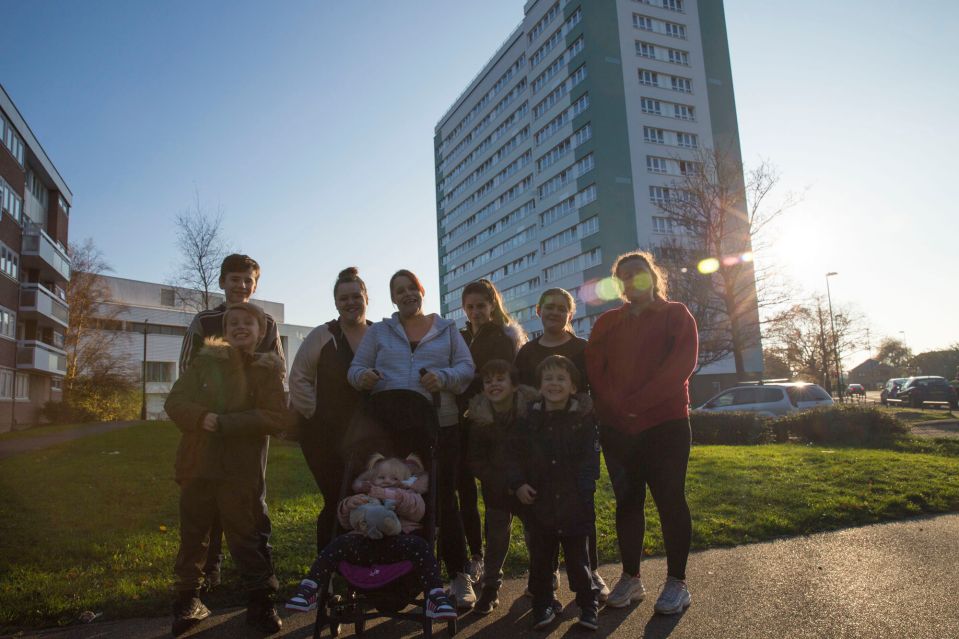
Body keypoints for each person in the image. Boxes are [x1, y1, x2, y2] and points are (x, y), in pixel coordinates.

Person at [348, 269, 477, 608]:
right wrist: (364, 376)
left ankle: (459, 576)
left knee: (444, 500)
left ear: (422, 291)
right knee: (393, 497)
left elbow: (467, 368)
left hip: (439, 425)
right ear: (393, 298)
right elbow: (355, 368)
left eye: (412, 288)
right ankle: (392, 572)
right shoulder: (379, 331)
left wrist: (444, 377)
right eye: (399, 290)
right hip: (391, 431)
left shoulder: (446, 329)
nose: (407, 294)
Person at [585, 250, 698, 615]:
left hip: (666, 425)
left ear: (653, 275)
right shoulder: (606, 323)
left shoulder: (675, 315)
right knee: (627, 504)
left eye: (639, 272)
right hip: (619, 429)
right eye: (625, 275)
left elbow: (681, 365)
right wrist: (618, 407)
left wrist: (638, 402)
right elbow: (596, 371)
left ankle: (677, 583)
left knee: (670, 500)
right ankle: (631, 578)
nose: (633, 279)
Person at [165, 302, 288, 636]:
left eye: (248, 323)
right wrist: (199, 417)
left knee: (247, 535)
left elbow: (276, 416)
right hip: (197, 465)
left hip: (241, 469)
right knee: (194, 535)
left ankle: (261, 600)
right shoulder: (204, 363)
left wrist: (224, 423)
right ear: (224, 330)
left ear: (261, 332)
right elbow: (174, 402)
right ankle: (189, 599)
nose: (240, 327)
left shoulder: (268, 370)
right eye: (233, 322)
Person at [176, 253, 285, 592]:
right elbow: (187, 366)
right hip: (207, 422)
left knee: (251, 497)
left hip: (249, 428)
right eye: (234, 279)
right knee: (204, 496)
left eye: (247, 280)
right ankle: (210, 567)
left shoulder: (265, 322)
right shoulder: (205, 320)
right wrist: (202, 413)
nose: (240, 285)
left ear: (255, 285)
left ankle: (258, 566)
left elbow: (276, 368)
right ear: (222, 281)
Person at [513, 287, 607, 600]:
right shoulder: (527, 352)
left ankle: (590, 571)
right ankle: (545, 574)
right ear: (538, 311)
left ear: (570, 313)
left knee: (582, 506)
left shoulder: (582, 347)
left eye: (560, 308)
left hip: (575, 438)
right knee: (539, 510)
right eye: (548, 307)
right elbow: (523, 394)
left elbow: (591, 392)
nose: (554, 312)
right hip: (539, 440)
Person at [286, 454, 458, 621]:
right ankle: (310, 588)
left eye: (394, 478)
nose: (387, 481)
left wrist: (394, 496)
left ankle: (436, 596)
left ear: (407, 482)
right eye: (381, 477)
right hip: (364, 545)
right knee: (338, 543)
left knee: (421, 546)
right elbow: (347, 523)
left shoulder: (411, 496)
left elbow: (417, 511)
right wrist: (348, 505)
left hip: (398, 545)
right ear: (372, 479)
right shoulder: (365, 497)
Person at [507, 355, 600, 631]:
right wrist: (518, 484)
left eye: (561, 378)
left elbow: (590, 461)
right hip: (540, 502)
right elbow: (514, 456)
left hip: (574, 502)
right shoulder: (529, 420)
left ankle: (587, 604)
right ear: (540, 385)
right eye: (548, 378)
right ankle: (543, 603)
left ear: (573, 387)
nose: (554, 383)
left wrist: (585, 492)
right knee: (541, 561)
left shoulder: (583, 420)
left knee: (578, 561)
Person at [289, 267, 372, 553]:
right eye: (343, 298)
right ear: (336, 303)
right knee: (336, 498)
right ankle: (327, 575)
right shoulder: (322, 335)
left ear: (366, 298)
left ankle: (361, 568)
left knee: (365, 497)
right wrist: (316, 415)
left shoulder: (379, 335)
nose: (350, 302)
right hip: (322, 437)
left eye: (355, 296)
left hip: (368, 437)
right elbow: (298, 377)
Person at [456, 279, 526, 586]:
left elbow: (495, 376)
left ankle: (494, 568)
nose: (475, 312)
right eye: (470, 307)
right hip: (460, 421)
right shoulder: (458, 336)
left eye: (481, 306)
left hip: (490, 422)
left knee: (496, 492)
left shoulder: (500, 336)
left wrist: (464, 381)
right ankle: (476, 556)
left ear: (492, 305)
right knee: (465, 493)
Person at [466, 359, 538, 615]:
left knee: (536, 535)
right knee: (496, 538)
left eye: (500, 379)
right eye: (488, 381)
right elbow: (476, 461)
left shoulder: (530, 411)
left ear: (514, 384)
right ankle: (491, 586)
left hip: (530, 487)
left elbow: (537, 450)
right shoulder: (479, 419)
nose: (494, 384)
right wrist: (506, 484)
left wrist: (525, 483)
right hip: (497, 489)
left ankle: (542, 582)